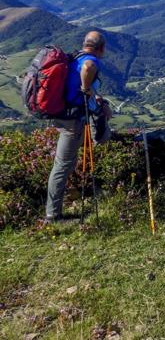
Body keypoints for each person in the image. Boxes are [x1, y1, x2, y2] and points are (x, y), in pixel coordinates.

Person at [46, 30, 112, 223]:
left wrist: (95, 96)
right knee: (62, 165)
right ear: (101, 48)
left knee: (68, 162)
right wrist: (85, 87)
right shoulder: (91, 60)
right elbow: (88, 68)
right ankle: (53, 215)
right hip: (71, 120)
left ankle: (63, 201)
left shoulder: (76, 56)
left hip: (64, 115)